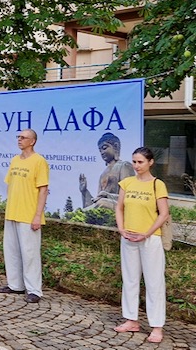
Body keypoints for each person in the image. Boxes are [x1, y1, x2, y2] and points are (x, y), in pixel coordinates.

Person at [114, 147, 169, 344]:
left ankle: (156, 326)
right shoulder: (126, 183)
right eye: (134, 162)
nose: (137, 166)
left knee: (154, 282)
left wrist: (147, 233)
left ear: (150, 162)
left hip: (150, 239)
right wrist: (121, 229)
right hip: (128, 237)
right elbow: (119, 207)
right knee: (130, 280)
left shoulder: (157, 185)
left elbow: (163, 214)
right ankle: (131, 319)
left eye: (140, 162)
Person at [0, 129, 49, 303]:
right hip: (12, 211)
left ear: (32, 141)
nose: (19, 140)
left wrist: (37, 216)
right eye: (18, 137)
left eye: (23, 137)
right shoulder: (15, 160)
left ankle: (34, 290)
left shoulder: (39, 161)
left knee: (30, 253)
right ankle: (15, 285)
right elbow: (10, 185)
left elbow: (43, 190)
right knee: (11, 250)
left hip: (29, 214)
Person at [79, 132, 134, 210]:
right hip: (104, 203)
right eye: (100, 150)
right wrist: (84, 191)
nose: (102, 152)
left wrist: (108, 195)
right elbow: (97, 200)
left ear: (115, 146)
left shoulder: (124, 166)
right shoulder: (103, 174)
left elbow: (130, 196)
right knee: (91, 207)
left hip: (119, 205)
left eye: (104, 148)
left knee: (102, 203)